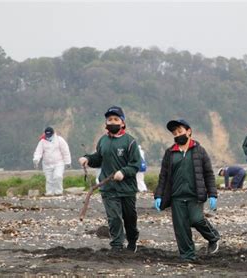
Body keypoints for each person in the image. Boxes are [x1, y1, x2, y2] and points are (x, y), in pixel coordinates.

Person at [154, 119, 220, 261]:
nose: (177, 134)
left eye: (180, 131)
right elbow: (163, 176)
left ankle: (213, 237)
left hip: (195, 195)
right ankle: (187, 256)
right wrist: (158, 195)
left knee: (196, 219)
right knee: (181, 227)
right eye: (175, 133)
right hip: (176, 196)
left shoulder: (200, 151)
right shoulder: (170, 153)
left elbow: (208, 173)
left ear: (188, 131)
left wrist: (213, 194)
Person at [78, 106, 141, 253]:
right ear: (106, 123)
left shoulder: (130, 142)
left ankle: (132, 240)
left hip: (127, 188)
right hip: (108, 187)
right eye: (109, 119)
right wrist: (87, 159)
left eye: (116, 119)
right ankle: (117, 246)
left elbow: (135, 164)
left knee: (130, 218)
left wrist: (123, 172)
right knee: (114, 218)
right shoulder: (103, 141)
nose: (112, 122)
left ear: (122, 123)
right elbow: (98, 158)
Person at [33, 127, 71, 196]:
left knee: (58, 176)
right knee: (49, 179)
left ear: (53, 134)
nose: (48, 137)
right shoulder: (42, 141)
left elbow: (65, 151)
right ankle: (49, 192)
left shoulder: (59, 140)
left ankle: (58, 192)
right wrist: (36, 160)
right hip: (47, 164)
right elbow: (38, 152)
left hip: (58, 163)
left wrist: (67, 162)